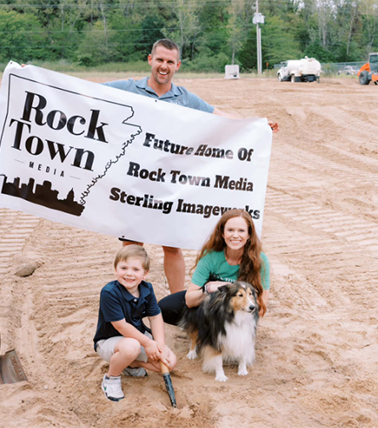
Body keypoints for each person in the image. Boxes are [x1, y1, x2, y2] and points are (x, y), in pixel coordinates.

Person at [103, 38, 279, 296]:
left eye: (170, 62)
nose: (164, 66)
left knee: (171, 245)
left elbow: (220, 117)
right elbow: (83, 92)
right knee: (131, 244)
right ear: (150, 60)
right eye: (160, 60)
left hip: (170, 186)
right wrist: (36, 79)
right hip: (135, 183)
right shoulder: (128, 88)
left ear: (178, 65)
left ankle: (177, 303)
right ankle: (129, 298)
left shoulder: (185, 98)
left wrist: (257, 126)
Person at [94, 245, 178, 402]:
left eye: (135, 269)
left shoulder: (147, 289)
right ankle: (111, 378)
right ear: (115, 269)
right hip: (109, 341)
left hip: (136, 338)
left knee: (170, 361)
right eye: (124, 267)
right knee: (131, 346)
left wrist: (158, 344)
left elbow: (155, 317)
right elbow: (121, 326)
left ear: (145, 274)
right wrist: (147, 343)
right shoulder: (109, 292)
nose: (129, 273)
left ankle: (131, 364)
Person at [158, 209, 270, 325]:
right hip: (211, 298)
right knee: (164, 307)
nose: (235, 235)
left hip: (240, 307)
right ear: (222, 233)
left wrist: (228, 287)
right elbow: (190, 300)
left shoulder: (260, 259)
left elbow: (261, 306)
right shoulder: (211, 255)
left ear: (249, 235)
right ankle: (202, 326)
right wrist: (209, 288)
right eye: (230, 230)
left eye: (241, 231)